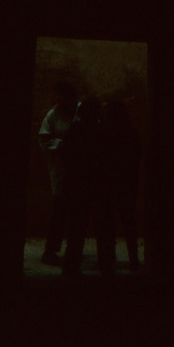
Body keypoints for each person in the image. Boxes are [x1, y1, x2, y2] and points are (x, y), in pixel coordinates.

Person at [61, 97, 114, 278]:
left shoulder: (75, 129)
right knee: (102, 229)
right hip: (98, 187)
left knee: (77, 229)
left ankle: (71, 267)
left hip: (78, 187)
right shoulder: (102, 131)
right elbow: (109, 160)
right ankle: (106, 266)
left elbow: (66, 155)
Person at [38, 80, 78, 265]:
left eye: (61, 95)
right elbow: (44, 138)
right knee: (59, 211)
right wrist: (63, 146)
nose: (57, 99)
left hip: (80, 171)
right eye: (57, 95)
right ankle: (51, 249)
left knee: (76, 213)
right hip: (62, 170)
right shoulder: (53, 115)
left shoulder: (80, 111)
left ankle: (73, 250)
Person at [103, 99, 142, 271]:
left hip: (111, 182)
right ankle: (133, 258)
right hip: (127, 182)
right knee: (128, 220)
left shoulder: (106, 132)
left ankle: (109, 256)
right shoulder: (131, 132)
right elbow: (136, 157)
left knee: (109, 221)